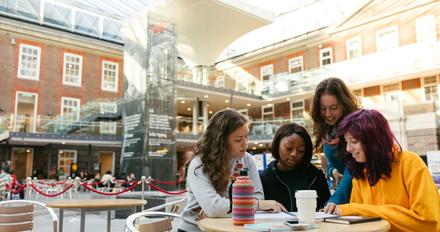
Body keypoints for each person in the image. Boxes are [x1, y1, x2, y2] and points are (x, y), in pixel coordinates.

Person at [330, 109, 440, 231]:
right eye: (346, 142)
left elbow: (428, 222)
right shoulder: (360, 174)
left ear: (374, 140)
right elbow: (359, 224)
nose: (348, 149)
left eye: (354, 141)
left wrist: (356, 209)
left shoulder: (410, 163)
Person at [178, 109, 286, 232]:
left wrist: (222, 210)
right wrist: (257, 205)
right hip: (195, 228)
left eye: (246, 136)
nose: (245, 143)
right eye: (238, 140)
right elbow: (214, 207)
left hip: (233, 226)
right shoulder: (199, 164)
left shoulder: (248, 160)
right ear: (221, 141)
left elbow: (258, 195)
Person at [310, 77, 359, 208]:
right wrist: (334, 172)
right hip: (344, 193)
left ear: (344, 104)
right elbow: (332, 162)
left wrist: (335, 200)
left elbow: (353, 167)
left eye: (333, 107)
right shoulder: (327, 129)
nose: (327, 114)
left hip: (359, 193)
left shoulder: (356, 126)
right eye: (322, 108)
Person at [260, 123, 330, 211]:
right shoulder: (265, 178)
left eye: (301, 150)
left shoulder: (316, 176)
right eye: (289, 148)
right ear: (277, 145)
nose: (294, 154)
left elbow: (327, 206)